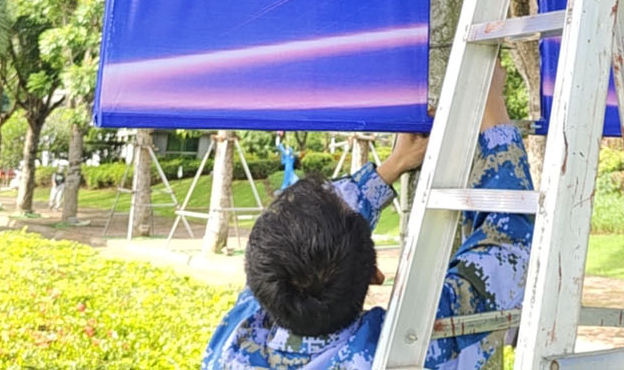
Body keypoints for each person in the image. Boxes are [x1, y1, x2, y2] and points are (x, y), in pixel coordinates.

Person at [202, 68, 533, 370]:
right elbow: (506, 245)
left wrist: (394, 165)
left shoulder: (232, 348)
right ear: (376, 274)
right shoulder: (417, 352)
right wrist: (491, 102)